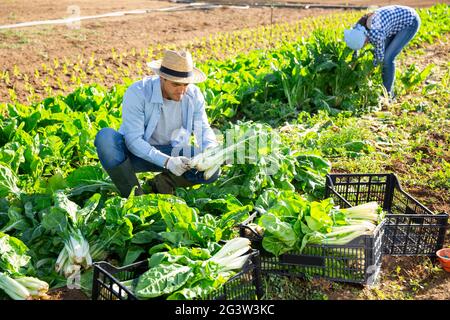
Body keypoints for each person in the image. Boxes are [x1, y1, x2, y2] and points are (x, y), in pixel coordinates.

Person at [94, 49, 220, 197]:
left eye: (186, 84)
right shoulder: (138, 92)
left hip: (173, 151)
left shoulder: (193, 95)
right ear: (162, 78)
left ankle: (161, 184)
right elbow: (133, 140)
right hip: (135, 154)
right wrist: (167, 162)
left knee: (212, 169)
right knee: (105, 138)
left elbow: (203, 129)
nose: (182, 90)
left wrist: (211, 150)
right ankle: (134, 196)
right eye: (176, 84)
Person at [344, 5, 421, 98]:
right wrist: (353, 63)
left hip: (410, 21)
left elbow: (379, 59)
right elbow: (355, 49)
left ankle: (388, 95)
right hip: (391, 24)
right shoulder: (358, 29)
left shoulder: (376, 33)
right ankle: (387, 88)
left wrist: (369, 71)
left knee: (387, 59)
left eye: (364, 44)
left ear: (365, 39)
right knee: (385, 56)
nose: (364, 46)